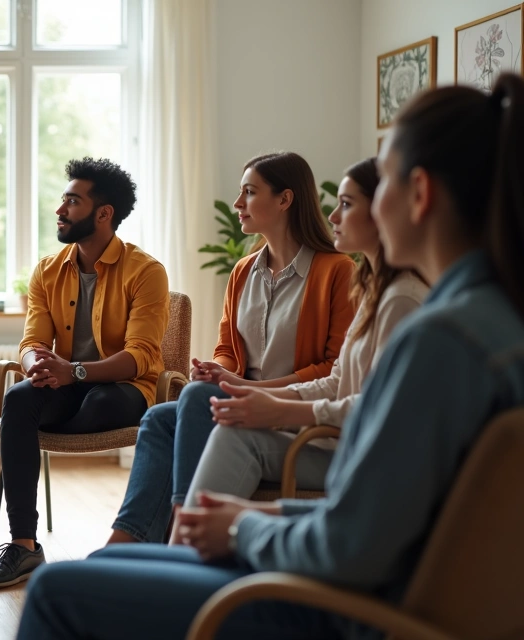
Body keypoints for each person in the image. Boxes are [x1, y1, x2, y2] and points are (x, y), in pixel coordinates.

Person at [15, 73, 524, 640]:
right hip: (366, 579)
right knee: (114, 558)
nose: (358, 210)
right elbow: (382, 519)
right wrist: (261, 515)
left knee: (55, 590)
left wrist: (242, 528)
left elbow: (350, 546)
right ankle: (159, 532)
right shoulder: (489, 321)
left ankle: (182, 529)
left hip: (346, 608)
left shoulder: (439, 341)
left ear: (420, 193)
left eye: (377, 190)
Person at [109, 152, 356, 547]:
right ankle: (126, 541)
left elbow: (333, 368)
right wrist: (218, 370)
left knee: (193, 398)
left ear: (284, 200)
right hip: (241, 399)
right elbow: (228, 347)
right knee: (159, 420)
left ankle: (181, 528)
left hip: (288, 409)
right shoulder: (244, 271)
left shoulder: (336, 270)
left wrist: (254, 389)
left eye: (249, 192)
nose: (238, 203)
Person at [0, 157, 170, 589]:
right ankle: (23, 545)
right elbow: (31, 343)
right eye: (63, 200)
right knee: (19, 398)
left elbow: (141, 356)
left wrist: (73, 371)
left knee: (99, 400)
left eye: (72, 202)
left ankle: (125, 545)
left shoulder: (147, 272)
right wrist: (37, 366)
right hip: (64, 384)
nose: (60, 210)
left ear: (104, 214)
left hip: (121, 389)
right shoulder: (47, 270)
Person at [185, 158, 428, 505]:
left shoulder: (396, 298)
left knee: (216, 422)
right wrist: (239, 384)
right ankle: (165, 533)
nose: (333, 217)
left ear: (381, 212)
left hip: (353, 451)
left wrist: (273, 404)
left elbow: (381, 407)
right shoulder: (373, 290)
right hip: (329, 435)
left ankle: (184, 536)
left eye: (346, 205)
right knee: (163, 420)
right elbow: (337, 381)